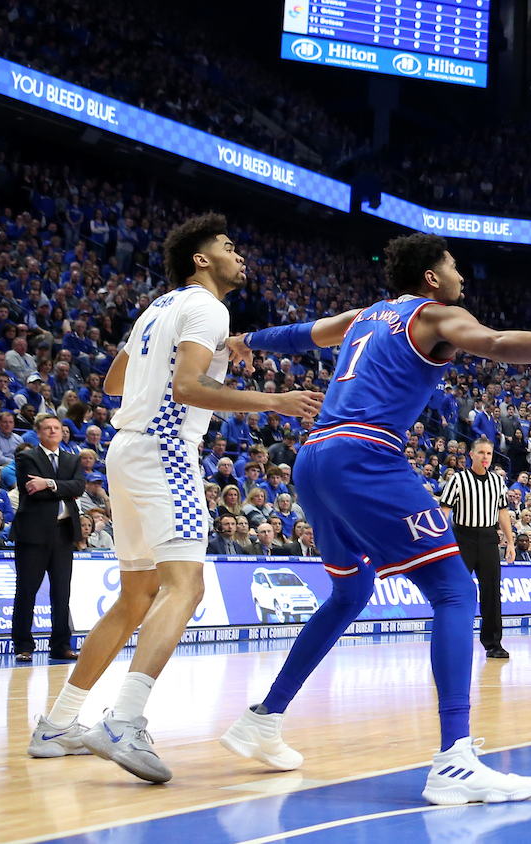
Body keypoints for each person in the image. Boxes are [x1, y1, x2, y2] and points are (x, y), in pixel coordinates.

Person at [218, 233, 531, 805]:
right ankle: (454, 758)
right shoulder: (434, 315)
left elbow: (304, 333)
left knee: (351, 592)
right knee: (455, 590)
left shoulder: (367, 316)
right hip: (365, 454)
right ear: (431, 277)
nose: (461, 276)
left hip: (315, 458)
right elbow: (499, 343)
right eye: (453, 265)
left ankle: (264, 717)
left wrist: (247, 340)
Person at [27, 214, 323, 779]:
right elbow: (187, 387)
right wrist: (274, 401)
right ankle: (123, 720)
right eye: (229, 246)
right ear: (201, 260)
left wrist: (209, 358)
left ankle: (59, 723)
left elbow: (114, 382)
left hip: (126, 450)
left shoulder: (157, 307)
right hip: (166, 449)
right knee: (186, 586)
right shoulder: (209, 307)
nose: (240, 255)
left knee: (137, 596)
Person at [10, 413, 86, 663]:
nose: (53, 431)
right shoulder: (27, 457)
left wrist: (50, 483)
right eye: (48, 428)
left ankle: (61, 646)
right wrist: (62, 487)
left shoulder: (72, 459)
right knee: (27, 591)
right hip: (33, 534)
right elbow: (32, 491)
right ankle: (23, 645)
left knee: (62, 593)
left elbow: (79, 487)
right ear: (38, 432)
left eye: (57, 427)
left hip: (63, 533)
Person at [439, 437, 514, 658]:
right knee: (458, 591)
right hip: (463, 538)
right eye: (481, 452)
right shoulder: (458, 480)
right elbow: (444, 512)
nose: (485, 457)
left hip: (489, 538)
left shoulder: (497, 481)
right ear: (471, 455)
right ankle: (452, 641)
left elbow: (502, 512)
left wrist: (510, 542)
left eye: (488, 453)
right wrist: (440, 541)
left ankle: (493, 644)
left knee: (492, 592)